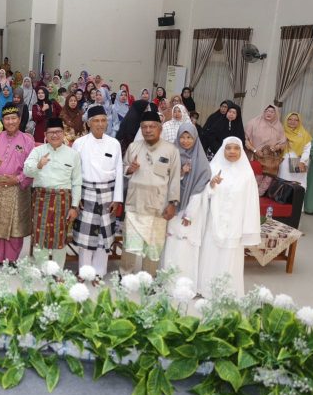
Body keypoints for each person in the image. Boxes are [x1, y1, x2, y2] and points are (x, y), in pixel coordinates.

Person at [197, 137, 261, 298]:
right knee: (211, 253)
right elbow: (202, 196)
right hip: (214, 221)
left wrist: (247, 227)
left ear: (241, 151)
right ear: (223, 150)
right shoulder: (214, 168)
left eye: (236, 148)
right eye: (228, 148)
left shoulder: (247, 174)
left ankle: (226, 291)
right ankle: (207, 289)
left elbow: (251, 202)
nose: (232, 151)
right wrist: (211, 185)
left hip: (235, 223)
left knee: (230, 256)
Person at [120, 111, 181, 276]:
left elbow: (175, 178)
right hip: (135, 203)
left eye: (152, 126)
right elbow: (123, 168)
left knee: (154, 244)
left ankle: (149, 276)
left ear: (159, 128)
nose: (148, 130)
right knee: (130, 243)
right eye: (144, 127)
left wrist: (172, 203)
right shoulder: (134, 147)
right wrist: (129, 169)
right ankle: (125, 274)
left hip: (158, 204)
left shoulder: (171, 150)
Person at [70, 106, 123, 276]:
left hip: (107, 193)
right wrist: (75, 197)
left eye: (103, 120)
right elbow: (74, 172)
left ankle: (99, 273)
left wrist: (117, 199)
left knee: (103, 237)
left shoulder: (114, 143)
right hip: (86, 192)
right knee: (86, 238)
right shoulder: (79, 143)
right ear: (89, 123)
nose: (100, 124)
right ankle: (84, 272)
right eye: (96, 121)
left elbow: (119, 172)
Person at [24, 117, 82, 265]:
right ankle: (41, 269)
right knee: (40, 234)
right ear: (45, 134)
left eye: (58, 132)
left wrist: (74, 206)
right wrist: (38, 165)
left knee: (59, 235)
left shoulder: (72, 154)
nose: (54, 135)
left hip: (63, 199)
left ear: (63, 134)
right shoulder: (38, 151)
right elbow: (26, 171)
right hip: (41, 198)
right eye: (51, 132)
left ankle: (57, 271)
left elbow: (76, 182)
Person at [161, 123, 211, 292]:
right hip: (173, 207)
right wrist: (181, 172)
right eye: (182, 137)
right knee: (171, 244)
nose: (185, 141)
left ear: (195, 138)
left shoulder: (201, 161)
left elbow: (201, 187)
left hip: (191, 211)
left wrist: (190, 213)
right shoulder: (171, 155)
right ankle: (168, 282)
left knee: (186, 246)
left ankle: (185, 284)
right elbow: (164, 180)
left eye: (189, 137)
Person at [0, 103, 35, 266]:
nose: (10, 122)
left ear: (19, 120)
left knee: (16, 224)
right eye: (7, 118)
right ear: (2, 120)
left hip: (18, 189)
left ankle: (12, 259)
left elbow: (32, 166)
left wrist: (18, 179)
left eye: (14, 118)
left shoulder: (27, 140)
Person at [277, 112, 312, 188]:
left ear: (299, 122)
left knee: (298, 186)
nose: (292, 121)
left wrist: (302, 161)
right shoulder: (281, 132)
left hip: (299, 162)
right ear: (286, 120)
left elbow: (307, 150)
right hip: (284, 162)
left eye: (296, 120)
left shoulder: (304, 134)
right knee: (283, 184)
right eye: (290, 119)